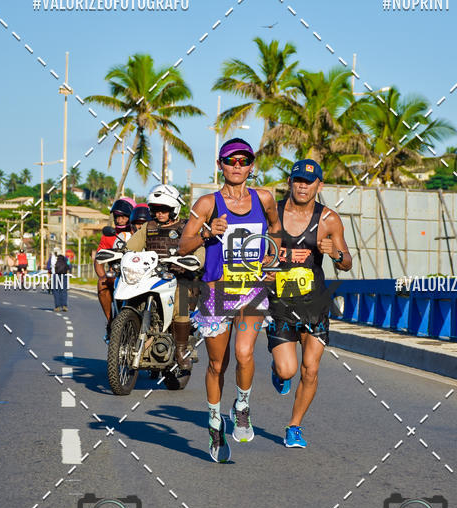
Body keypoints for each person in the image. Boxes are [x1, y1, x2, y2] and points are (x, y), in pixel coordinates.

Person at [179, 138, 281, 463]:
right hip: (217, 291)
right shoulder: (207, 203)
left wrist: (271, 257)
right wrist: (208, 234)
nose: (237, 166)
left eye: (243, 161)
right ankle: (213, 423)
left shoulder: (264, 198)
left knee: (245, 351)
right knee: (217, 364)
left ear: (252, 166)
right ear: (221, 165)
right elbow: (183, 245)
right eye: (230, 160)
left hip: (251, 288)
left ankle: (242, 406)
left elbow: (276, 229)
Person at [267, 160, 352, 449]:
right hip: (279, 302)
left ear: (319, 185)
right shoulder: (272, 213)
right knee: (287, 370)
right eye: (299, 180)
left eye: (309, 181)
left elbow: (347, 263)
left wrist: (335, 253)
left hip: (314, 303)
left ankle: (294, 426)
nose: (303, 186)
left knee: (311, 369)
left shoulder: (328, 219)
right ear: (290, 181)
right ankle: (278, 371)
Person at [127, 185, 203, 372]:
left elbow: (199, 249)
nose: (159, 213)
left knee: (181, 306)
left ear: (174, 209)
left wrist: (197, 260)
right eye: (155, 209)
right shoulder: (148, 227)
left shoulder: (186, 226)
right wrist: (121, 253)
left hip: (180, 277)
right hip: (152, 276)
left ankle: (180, 350)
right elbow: (131, 247)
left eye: (164, 209)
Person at [94, 197, 135, 340]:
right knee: (102, 283)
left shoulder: (140, 232)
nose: (120, 220)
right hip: (117, 275)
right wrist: (102, 276)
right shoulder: (109, 235)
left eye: (124, 216)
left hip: (137, 275)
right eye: (117, 217)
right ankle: (111, 321)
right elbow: (98, 259)